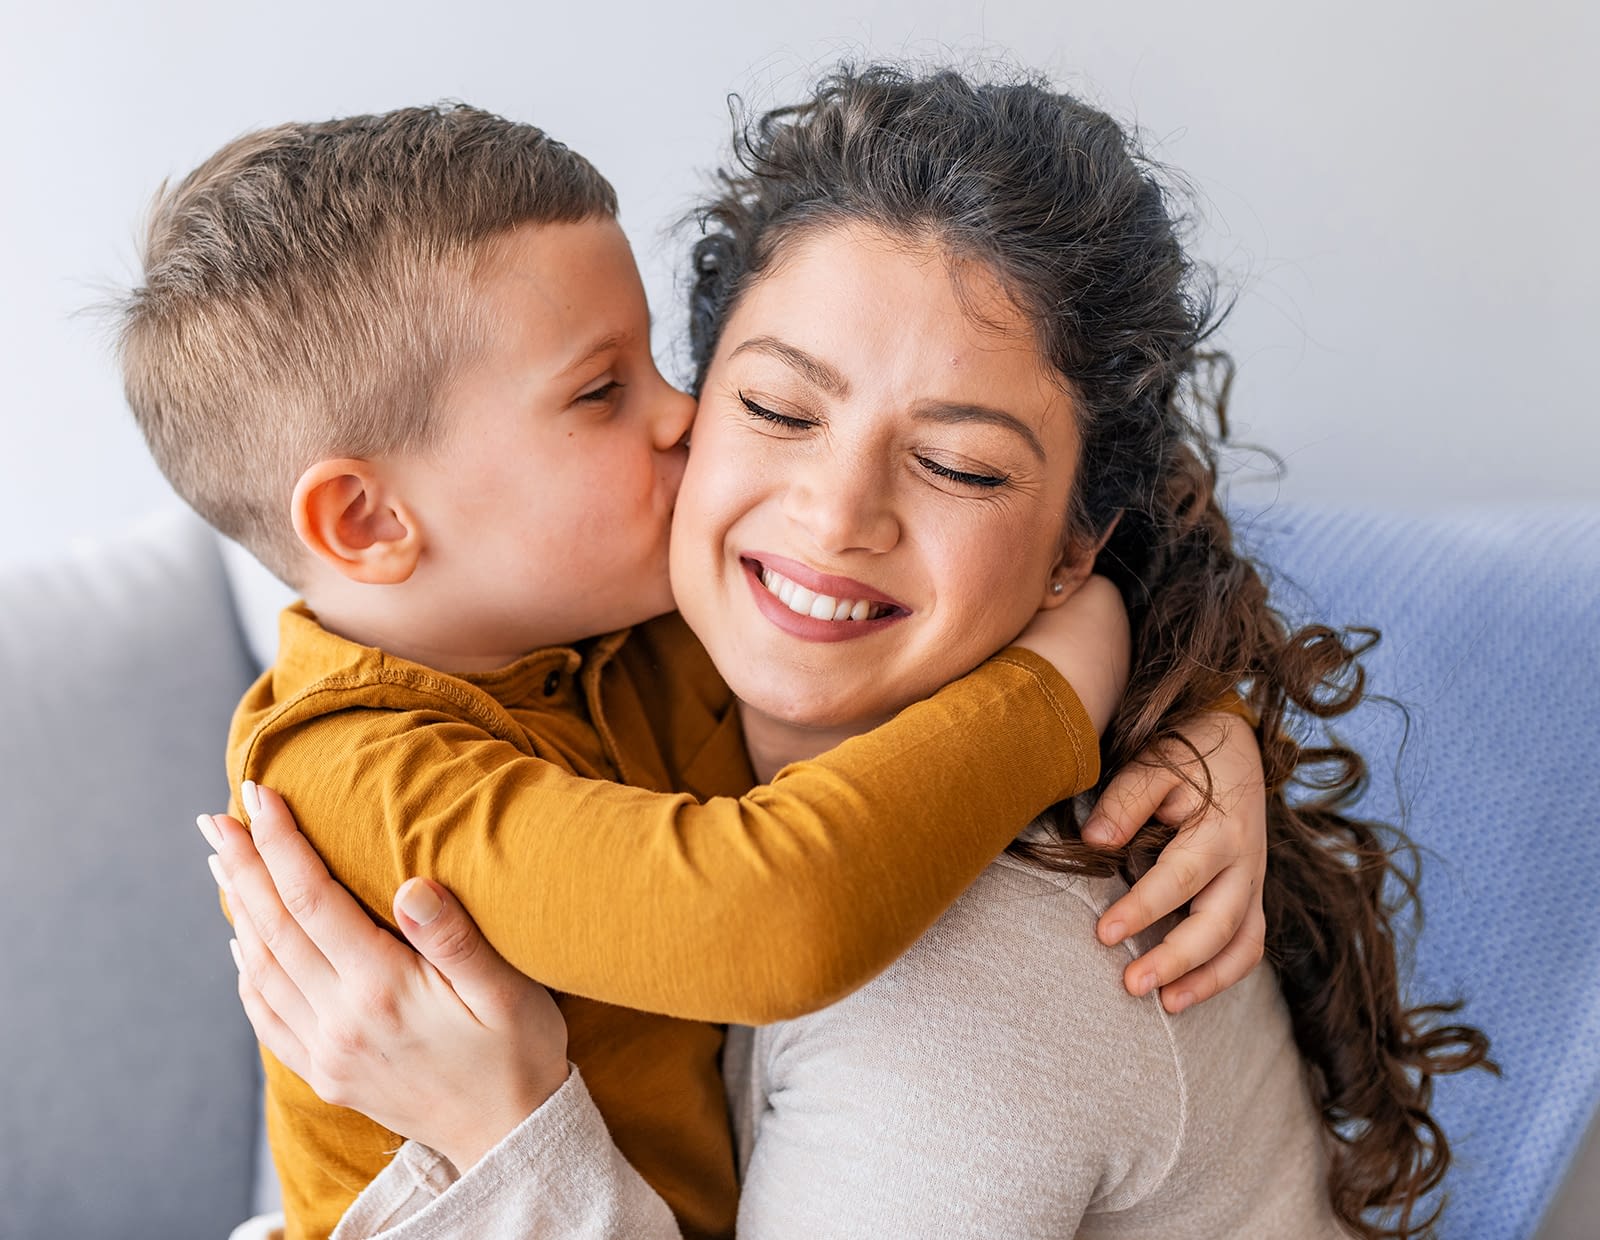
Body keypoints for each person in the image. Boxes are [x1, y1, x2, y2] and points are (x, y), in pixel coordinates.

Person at [209, 66, 1494, 1238]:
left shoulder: (984, 978)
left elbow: (782, 910)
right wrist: (1119, 663)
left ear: (1076, 548)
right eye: (772, 407)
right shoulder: (553, 664)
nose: (833, 518)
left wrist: (498, 1130)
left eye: (959, 464)